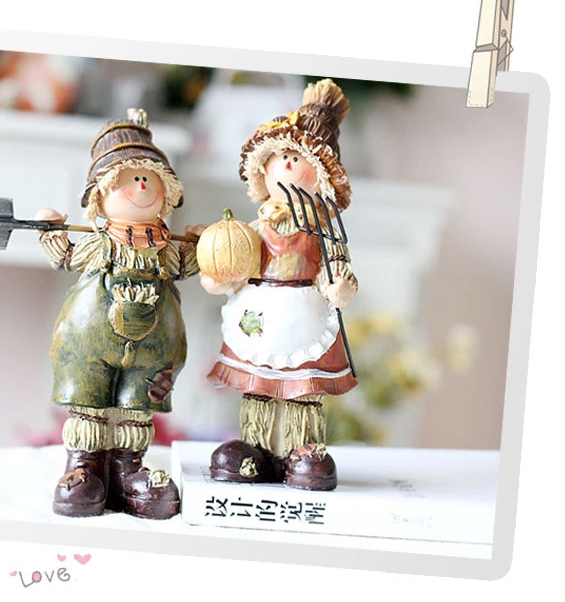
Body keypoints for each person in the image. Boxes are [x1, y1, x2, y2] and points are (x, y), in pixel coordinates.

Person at [37, 108, 202, 518]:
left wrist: (202, 246)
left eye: (148, 177)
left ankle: (129, 469)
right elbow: (67, 257)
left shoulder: (165, 249)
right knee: (89, 403)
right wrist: (49, 233)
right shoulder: (100, 243)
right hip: (89, 342)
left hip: (153, 348)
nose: (141, 185)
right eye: (129, 178)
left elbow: (185, 266)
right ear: (100, 195)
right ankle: (83, 466)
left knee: (136, 408)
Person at [201, 80, 357, 491]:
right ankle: (256, 449)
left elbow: (337, 271)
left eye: (297, 157)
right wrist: (219, 279)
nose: (287, 163)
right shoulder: (254, 228)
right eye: (281, 156)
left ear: (321, 175)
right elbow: (236, 264)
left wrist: (339, 287)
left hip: (304, 313)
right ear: (264, 169)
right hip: (259, 313)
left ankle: (302, 451)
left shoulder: (322, 233)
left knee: (301, 391)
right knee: (260, 385)